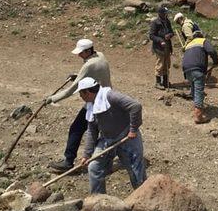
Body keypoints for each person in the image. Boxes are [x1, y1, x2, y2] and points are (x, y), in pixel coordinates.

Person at [46, 39, 111, 173]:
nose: (78, 55)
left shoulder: (89, 65)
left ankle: (69, 161)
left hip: (96, 101)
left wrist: (52, 99)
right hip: (107, 97)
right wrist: (77, 76)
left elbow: (72, 89)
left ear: (88, 51)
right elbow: (95, 73)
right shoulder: (100, 55)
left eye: (81, 52)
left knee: (77, 129)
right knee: (102, 131)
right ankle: (102, 161)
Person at [75, 77, 146, 194]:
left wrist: (133, 129)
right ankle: (98, 201)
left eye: (80, 93)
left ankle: (143, 199)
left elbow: (135, 106)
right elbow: (92, 130)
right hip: (107, 140)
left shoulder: (110, 96)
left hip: (127, 137)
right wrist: (86, 154)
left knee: (136, 173)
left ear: (87, 92)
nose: (80, 97)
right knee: (94, 168)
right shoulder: (90, 105)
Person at [182, 30, 218, 124]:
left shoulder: (189, 44)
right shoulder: (202, 41)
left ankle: (196, 108)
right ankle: (198, 116)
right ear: (201, 35)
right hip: (197, 69)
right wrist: (216, 62)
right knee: (199, 90)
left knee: (194, 89)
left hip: (187, 70)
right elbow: (212, 51)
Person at [148, 6, 174, 90]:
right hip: (159, 47)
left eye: (166, 13)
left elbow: (171, 32)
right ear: (160, 14)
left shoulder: (167, 22)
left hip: (167, 46)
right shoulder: (155, 23)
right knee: (160, 64)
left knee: (167, 64)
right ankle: (158, 82)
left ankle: (166, 82)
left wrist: (169, 35)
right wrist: (160, 40)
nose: (166, 15)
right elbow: (151, 35)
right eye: (165, 13)